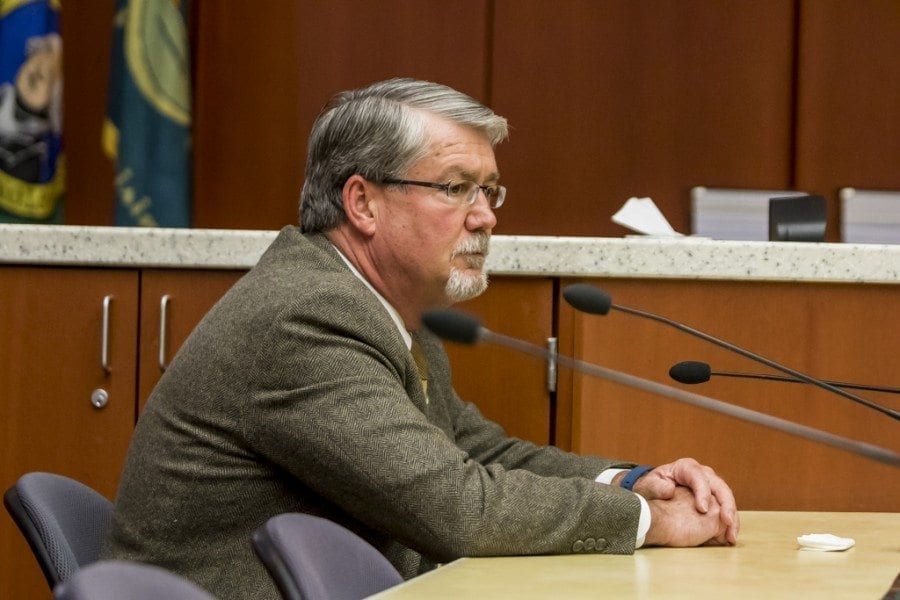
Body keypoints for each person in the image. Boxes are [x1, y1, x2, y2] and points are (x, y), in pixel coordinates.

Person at [102, 78, 739, 599]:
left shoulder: (381, 303)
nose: (485, 215)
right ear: (363, 203)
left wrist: (629, 482)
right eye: (455, 187)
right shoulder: (307, 317)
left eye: (489, 190)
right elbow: (451, 505)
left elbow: (470, 451)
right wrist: (649, 523)